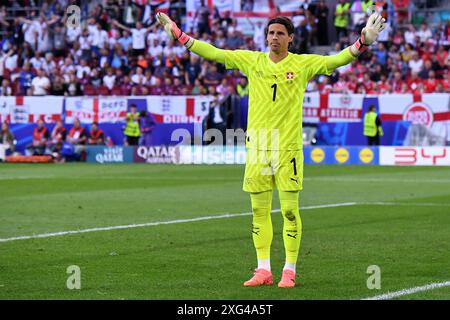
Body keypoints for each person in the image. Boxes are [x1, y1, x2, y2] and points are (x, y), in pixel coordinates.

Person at [156, 11, 386, 287]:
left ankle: (289, 270)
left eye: (279, 33)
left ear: (290, 38)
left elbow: (337, 60)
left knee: (290, 212)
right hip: (258, 150)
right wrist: (180, 35)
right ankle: (263, 269)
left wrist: (363, 42)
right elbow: (214, 53)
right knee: (258, 212)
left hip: (287, 149)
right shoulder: (252, 61)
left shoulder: (303, 64)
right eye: (270, 33)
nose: (273, 37)